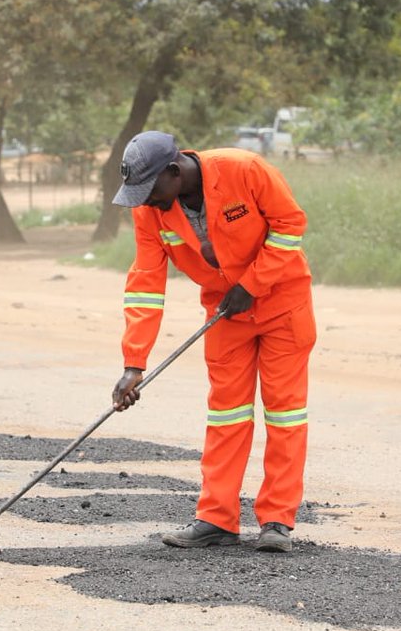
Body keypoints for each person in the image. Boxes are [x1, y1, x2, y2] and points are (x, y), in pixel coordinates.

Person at [110, 131, 316, 553]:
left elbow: (290, 225)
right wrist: (135, 362)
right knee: (226, 414)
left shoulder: (245, 170)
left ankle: (277, 520)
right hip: (225, 312)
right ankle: (216, 519)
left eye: (151, 191)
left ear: (174, 171)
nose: (147, 202)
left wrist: (253, 284)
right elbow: (146, 284)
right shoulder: (150, 211)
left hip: (283, 303)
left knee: (284, 413)